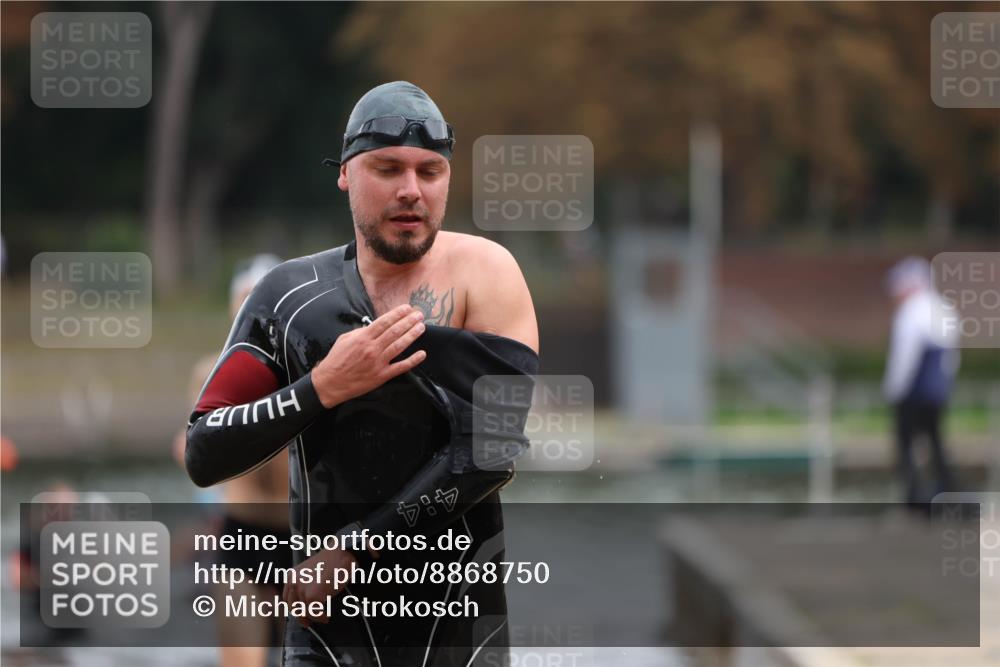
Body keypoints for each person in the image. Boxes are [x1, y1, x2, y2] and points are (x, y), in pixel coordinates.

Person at [184, 81, 539, 667]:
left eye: (430, 171)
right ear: (346, 173)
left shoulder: (486, 274)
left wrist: (353, 553)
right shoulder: (288, 298)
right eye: (387, 168)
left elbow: (491, 453)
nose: (410, 190)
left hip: (455, 633)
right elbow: (204, 450)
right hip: (327, 639)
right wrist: (323, 387)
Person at [883, 256, 960, 506]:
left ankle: (915, 499)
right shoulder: (943, 308)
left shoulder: (911, 312)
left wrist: (893, 390)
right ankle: (947, 492)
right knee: (936, 444)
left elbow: (904, 357)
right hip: (937, 392)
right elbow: (952, 357)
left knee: (906, 445)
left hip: (913, 392)